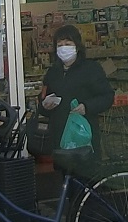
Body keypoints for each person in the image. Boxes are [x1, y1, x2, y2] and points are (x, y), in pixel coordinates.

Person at [39, 23, 113, 165]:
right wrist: (44, 105)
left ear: (77, 46)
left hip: (83, 135)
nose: (63, 48)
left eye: (68, 44)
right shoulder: (52, 73)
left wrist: (87, 106)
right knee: (63, 174)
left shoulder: (91, 69)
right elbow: (43, 99)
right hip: (59, 137)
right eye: (60, 45)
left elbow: (107, 96)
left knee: (87, 174)